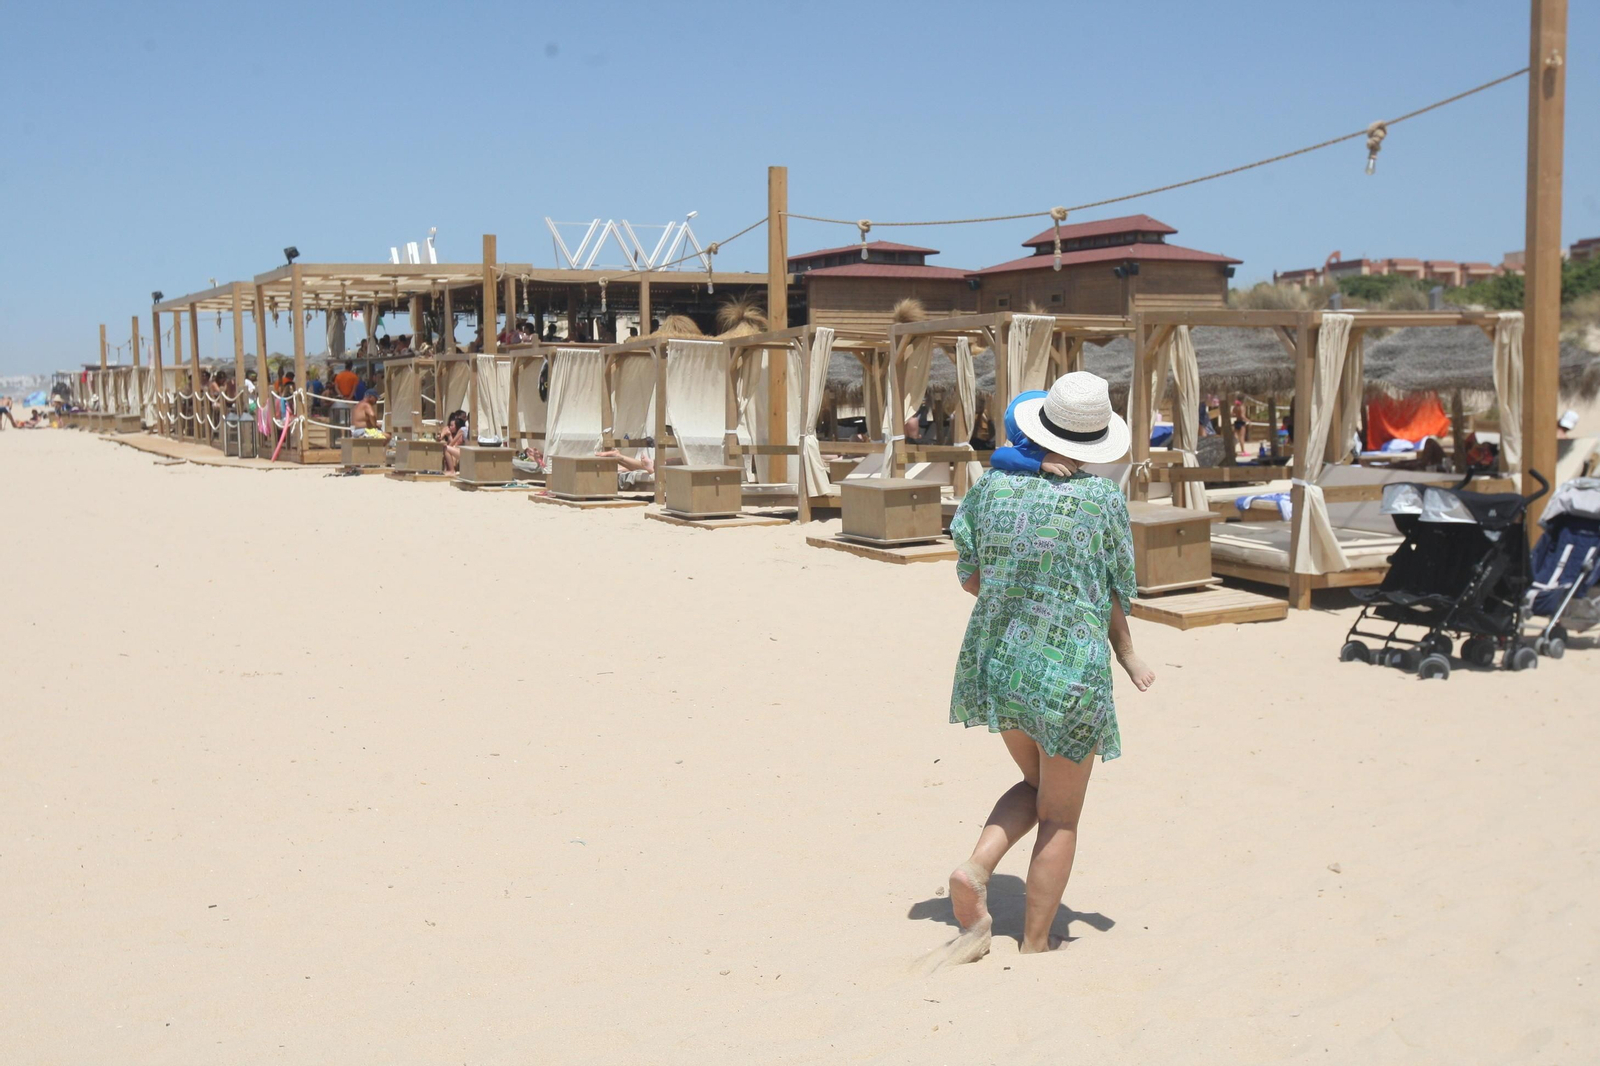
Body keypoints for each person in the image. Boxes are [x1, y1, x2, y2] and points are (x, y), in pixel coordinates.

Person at [935, 372, 1154, 966]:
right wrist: (1127, 652)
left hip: (1002, 662)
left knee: (1035, 787)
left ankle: (977, 866)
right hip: (1070, 676)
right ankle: (1035, 942)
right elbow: (1115, 589)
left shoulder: (991, 490)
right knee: (1061, 815)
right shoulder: (1102, 500)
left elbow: (972, 577)